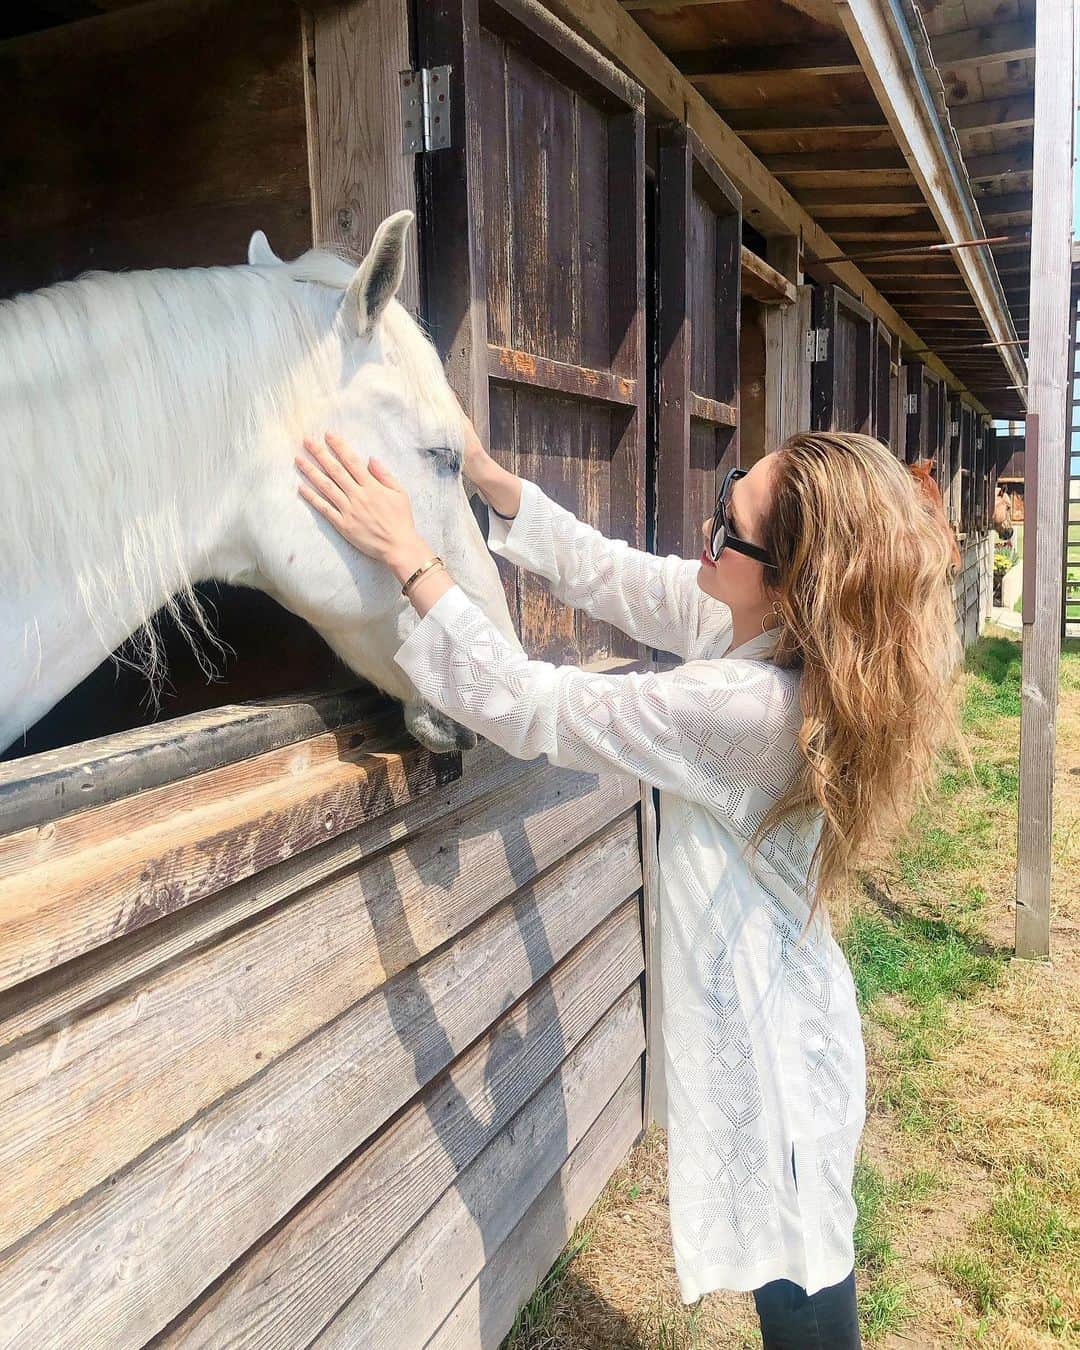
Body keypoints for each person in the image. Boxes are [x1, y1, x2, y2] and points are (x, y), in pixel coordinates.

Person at [295, 423, 961, 1350]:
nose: (705, 532)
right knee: (792, 1266)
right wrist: (490, 480)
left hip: (773, 1062)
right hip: (786, 1017)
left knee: (803, 1285)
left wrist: (410, 556)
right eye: (727, 492)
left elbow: (533, 706)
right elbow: (610, 572)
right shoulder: (770, 637)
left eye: (728, 527)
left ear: (790, 578)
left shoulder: (745, 706)